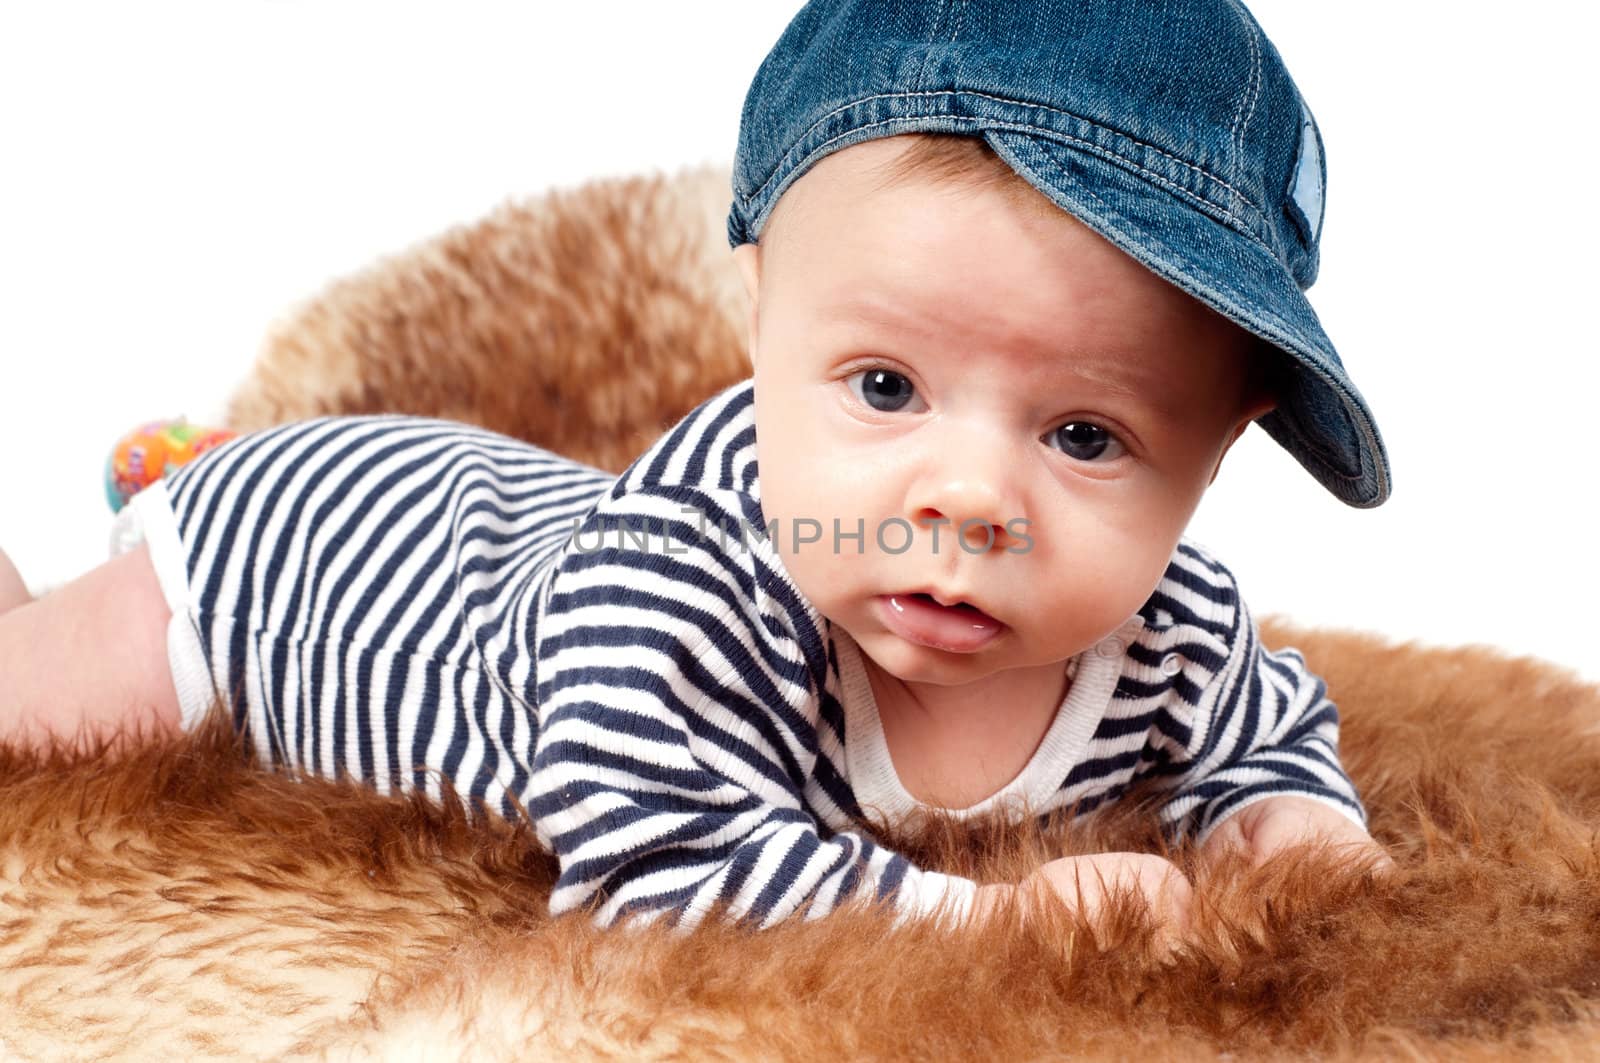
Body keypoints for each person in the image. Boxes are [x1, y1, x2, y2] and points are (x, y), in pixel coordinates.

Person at [0, 0, 1392, 937]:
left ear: (1219, 452)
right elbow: (655, 869)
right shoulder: (672, 593)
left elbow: (1262, 730)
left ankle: (168, 473)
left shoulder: (1174, 631)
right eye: (886, 387)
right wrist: (990, 922)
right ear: (759, 323)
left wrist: (1296, 821)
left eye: (1086, 437)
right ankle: (163, 516)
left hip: (484, 504)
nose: (965, 501)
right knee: (33, 703)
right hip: (294, 570)